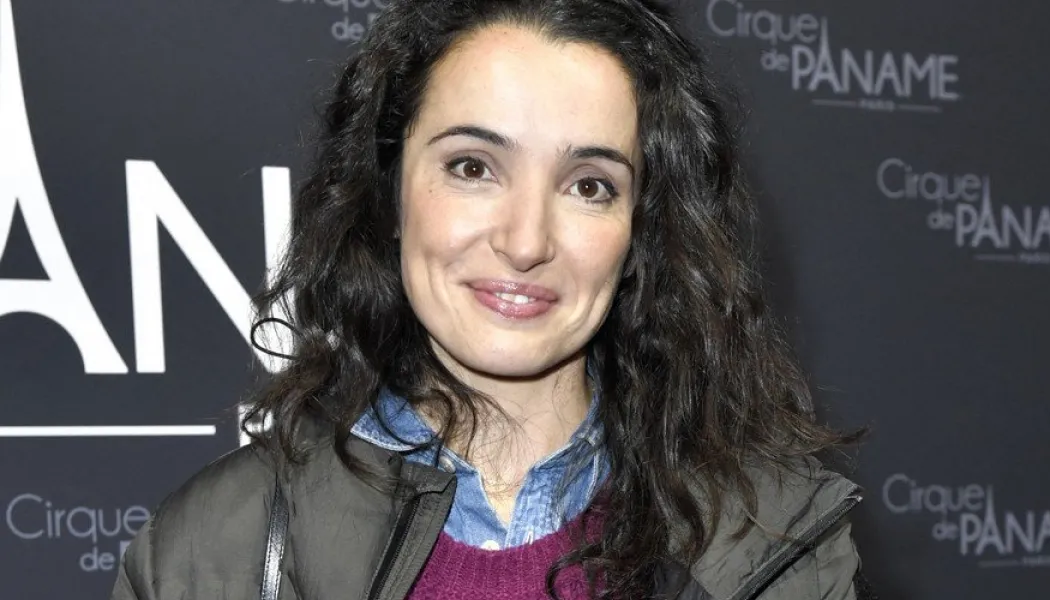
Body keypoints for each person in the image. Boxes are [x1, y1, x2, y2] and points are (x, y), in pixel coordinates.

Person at [111, 1, 873, 599]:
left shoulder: (770, 540)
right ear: (389, 191)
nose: (526, 240)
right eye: (473, 167)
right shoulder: (213, 552)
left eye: (589, 185)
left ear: (640, 232)